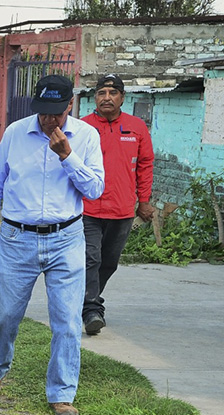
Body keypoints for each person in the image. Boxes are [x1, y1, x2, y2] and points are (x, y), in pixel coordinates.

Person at [0, 75, 104, 415]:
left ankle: (62, 393)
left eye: (56, 114)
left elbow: (94, 191)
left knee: (68, 321)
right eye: (43, 113)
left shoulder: (87, 136)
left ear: (70, 106)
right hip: (18, 238)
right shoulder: (16, 133)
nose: (49, 120)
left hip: (67, 238)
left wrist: (67, 156)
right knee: (4, 314)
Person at [81, 74, 154, 335]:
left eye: (113, 93)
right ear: (95, 98)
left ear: (123, 97)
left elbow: (145, 165)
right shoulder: (83, 127)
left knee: (109, 262)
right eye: (102, 93)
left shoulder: (136, 127)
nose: (107, 98)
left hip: (122, 209)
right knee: (91, 258)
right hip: (87, 209)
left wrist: (143, 201)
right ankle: (91, 309)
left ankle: (85, 301)